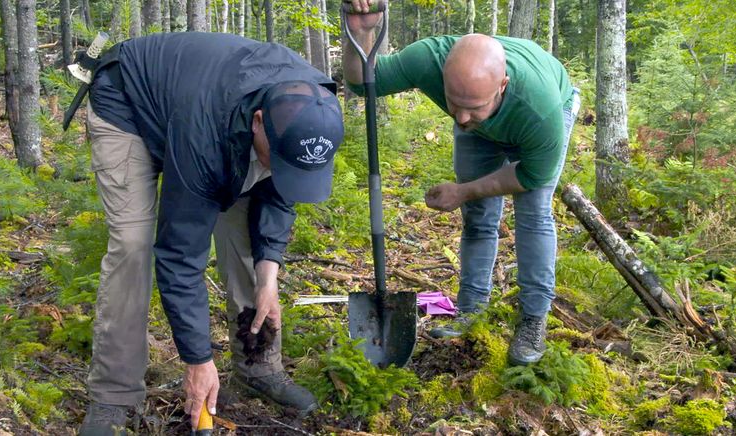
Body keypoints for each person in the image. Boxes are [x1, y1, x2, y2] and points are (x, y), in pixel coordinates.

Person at [79, 32, 344, 435]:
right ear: (258, 123)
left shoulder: (311, 110)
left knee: (247, 236)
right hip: (129, 102)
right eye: (276, 159)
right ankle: (114, 392)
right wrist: (198, 361)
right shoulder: (204, 131)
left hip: (216, 114)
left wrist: (268, 279)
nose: (278, 170)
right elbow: (180, 253)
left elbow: (281, 192)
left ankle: (257, 366)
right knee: (133, 244)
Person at [343, 1, 580, 367]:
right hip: (491, 124)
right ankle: (470, 310)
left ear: (502, 85)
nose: (462, 117)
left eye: (474, 106)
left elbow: (531, 175)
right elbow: (364, 84)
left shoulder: (541, 109)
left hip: (536, 116)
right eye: (454, 104)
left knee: (532, 213)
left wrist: (463, 190)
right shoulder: (428, 60)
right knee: (479, 217)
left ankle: (533, 321)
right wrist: (360, 32)